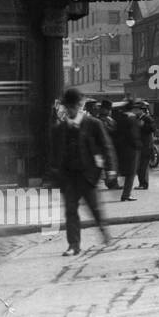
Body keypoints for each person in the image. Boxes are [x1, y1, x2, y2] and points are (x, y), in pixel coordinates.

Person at [48, 87, 116, 257]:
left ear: (78, 106)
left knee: (94, 209)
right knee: (70, 211)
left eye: (72, 107)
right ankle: (73, 245)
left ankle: (104, 232)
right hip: (69, 177)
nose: (69, 110)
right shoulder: (60, 128)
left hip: (88, 176)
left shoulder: (93, 124)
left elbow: (106, 146)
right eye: (67, 107)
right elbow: (54, 154)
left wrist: (111, 169)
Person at [111, 102, 141, 202]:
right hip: (131, 149)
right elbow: (134, 135)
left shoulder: (119, 118)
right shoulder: (132, 119)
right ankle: (126, 194)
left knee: (124, 170)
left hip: (120, 148)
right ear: (132, 109)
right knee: (131, 172)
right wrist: (138, 145)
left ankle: (123, 190)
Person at [134, 101, 155, 191]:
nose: (135, 111)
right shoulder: (137, 118)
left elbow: (153, 128)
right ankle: (141, 183)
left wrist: (143, 126)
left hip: (146, 146)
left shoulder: (147, 118)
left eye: (136, 109)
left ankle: (144, 184)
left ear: (141, 110)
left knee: (143, 166)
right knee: (140, 167)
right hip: (140, 146)